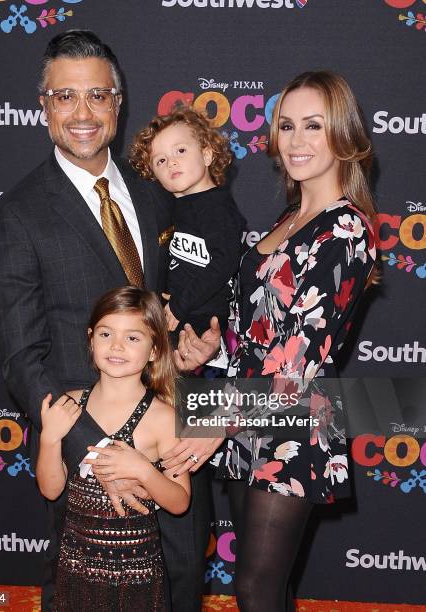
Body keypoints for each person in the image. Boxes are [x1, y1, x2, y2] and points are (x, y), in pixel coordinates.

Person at [0, 29, 219, 612]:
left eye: (97, 95)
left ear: (118, 102)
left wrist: (201, 345)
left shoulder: (161, 189)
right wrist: (101, 457)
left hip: (177, 446)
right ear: (44, 107)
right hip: (91, 477)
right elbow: (23, 359)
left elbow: (194, 301)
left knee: (183, 590)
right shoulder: (18, 214)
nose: (82, 113)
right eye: (65, 97)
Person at [215, 71, 379, 611]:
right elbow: (251, 332)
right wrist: (208, 352)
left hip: (292, 420)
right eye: (287, 125)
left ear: (344, 136)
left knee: (254, 588)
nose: (297, 140)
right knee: (270, 585)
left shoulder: (346, 230)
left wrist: (210, 420)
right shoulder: (290, 219)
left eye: (315, 125)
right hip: (245, 414)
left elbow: (298, 355)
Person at [36, 286, 191, 612]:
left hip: (134, 572)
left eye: (133, 338)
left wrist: (143, 470)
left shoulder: (163, 417)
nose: (117, 346)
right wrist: (49, 438)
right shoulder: (71, 404)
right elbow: (52, 490)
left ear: (153, 350)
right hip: (76, 564)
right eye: (106, 334)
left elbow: (179, 502)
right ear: (91, 339)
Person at [129, 107, 244, 344]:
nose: (171, 162)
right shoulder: (167, 209)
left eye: (180, 150)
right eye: (160, 160)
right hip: (173, 314)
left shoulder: (217, 206)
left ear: (207, 155)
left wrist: (181, 304)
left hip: (199, 320)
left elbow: (224, 262)